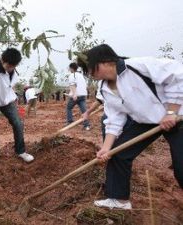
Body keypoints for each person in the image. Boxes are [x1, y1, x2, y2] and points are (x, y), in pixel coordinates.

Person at [79, 44, 183, 210]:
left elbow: (177, 75)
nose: (90, 74)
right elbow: (115, 118)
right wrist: (106, 148)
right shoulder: (105, 88)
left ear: (106, 61)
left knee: (181, 167)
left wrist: (171, 111)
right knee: (118, 153)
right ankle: (119, 200)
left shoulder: (138, 66)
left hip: (176, 116)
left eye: (91, 68)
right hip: (146, 121)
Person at [66, 62, 90, 130]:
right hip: (83, 95)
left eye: (69, 68)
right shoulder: (80, 75)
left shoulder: (72, 75)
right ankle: (86, 125)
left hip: (77, 95)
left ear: (71, 68)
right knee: (84, 111)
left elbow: (73, 85)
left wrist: (74, 94)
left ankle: (70, 123)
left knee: (69, 108)